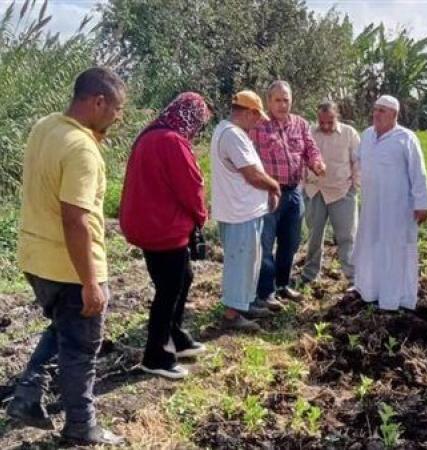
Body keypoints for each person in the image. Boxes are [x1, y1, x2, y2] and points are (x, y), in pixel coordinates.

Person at [7, 67, 126, 446]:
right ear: (98, 102)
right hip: (70, 265)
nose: (119, 117)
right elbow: (74, 218)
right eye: (116, 109)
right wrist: (91, 282)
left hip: (36, 259)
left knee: (63, 325)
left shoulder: (46, 127)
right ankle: (81, 426)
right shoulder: (82, 150)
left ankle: (28, 393)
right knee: (81, 349)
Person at [120, 92, 211, 380]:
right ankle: (156, 354)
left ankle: (176, 335)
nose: (197, 130)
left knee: (182, 278)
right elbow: (190, 185)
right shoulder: (172, 141)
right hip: (164, 228)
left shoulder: (150, 135)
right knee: (168, 289)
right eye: (199, 123)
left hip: (147, 224)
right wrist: (200, 217)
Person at [249, 80, 326, 303]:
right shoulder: (258, 126)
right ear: (268, 102)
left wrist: (317, 163)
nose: (283, 105)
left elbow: (310, 149)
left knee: (290, 242)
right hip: (268, 194)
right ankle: (265, 292)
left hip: (294, 193)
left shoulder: (300, 124)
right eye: (278, 100)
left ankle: (282, 285)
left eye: (286, 100)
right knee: (265, 243)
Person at [211, 90, 282, 331]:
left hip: (245, 209)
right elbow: (252, 174)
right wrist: (274, 187)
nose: (257, 122)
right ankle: (232, 315)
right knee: (240, 262)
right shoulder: (232, 135)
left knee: (251, 260)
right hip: (238, 211)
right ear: (249, 112)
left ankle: (245, 303)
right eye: (256, 117)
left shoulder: (231, 132)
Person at [353, 95, 427, 311]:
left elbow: (418, 173)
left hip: (397, 209)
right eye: (375, 109)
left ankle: (395, 299)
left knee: (395, 251)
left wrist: (421, 203)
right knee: (370, 245)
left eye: (382, 110)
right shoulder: (367, 135)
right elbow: (357, 161)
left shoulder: (406, 138)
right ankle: (369, 291)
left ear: (394, 115)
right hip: (371, 207)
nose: (376, 114)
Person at [301, 100, 360, 286]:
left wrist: (355, 186)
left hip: (341, 191)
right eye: (322, 122)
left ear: (337, 116)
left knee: (347, 236)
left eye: (330, 121)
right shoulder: (309, 132)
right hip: (314, 191)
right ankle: (310, 274)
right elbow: (301, 159)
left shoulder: (349, 134)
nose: (326, 126)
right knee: (314, 236)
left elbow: (358, 162)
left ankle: (353, 278)